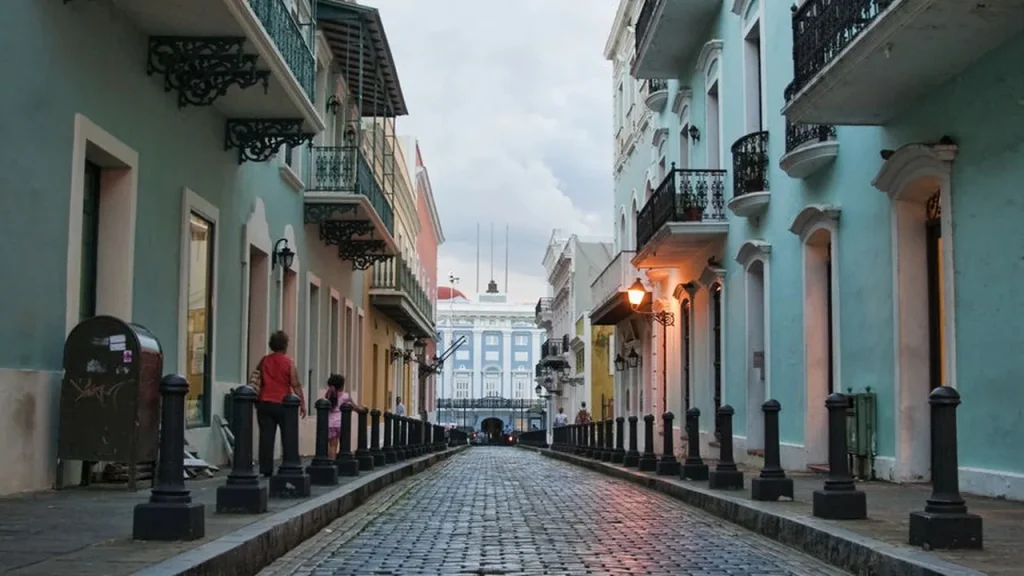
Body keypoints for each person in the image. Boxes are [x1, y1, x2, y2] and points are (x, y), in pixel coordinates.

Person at [254, 331, 306, 478]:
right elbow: (295, 383)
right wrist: (302, 402)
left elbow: (256, 378)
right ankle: (289, 463)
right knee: (288, 435)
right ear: (285, 345)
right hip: (283, 404)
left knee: (266, 437)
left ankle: (266, 468)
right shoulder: (288, 362)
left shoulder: (264, 360)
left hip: (264, 403)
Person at [325, 374, 357, 459]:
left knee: (332, 446)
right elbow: (354, 407)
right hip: (341, 423)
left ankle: (331, 463)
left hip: (330, 423)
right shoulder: (345, 396)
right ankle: (343, 461)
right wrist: (361, 410)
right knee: (344, 445)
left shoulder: (328, 395)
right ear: (341, 386)